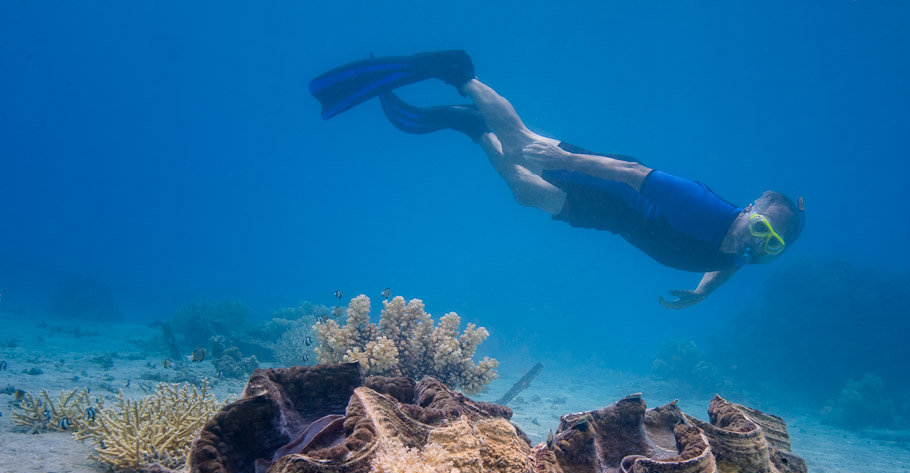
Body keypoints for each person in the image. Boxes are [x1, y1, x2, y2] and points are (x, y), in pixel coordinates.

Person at [309, 51, 805, 309]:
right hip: (613, 189)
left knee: (524, 192)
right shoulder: (708, 210)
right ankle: (458, 72)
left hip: (612, 220)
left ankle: (471, 124)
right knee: (526, 146)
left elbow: (726, 266)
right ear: (748, 210)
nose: (760, 245)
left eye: (773, 246)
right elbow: (635, 174)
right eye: (761, 229)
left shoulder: (740, 253)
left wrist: (700, 294)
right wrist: (564, 158)